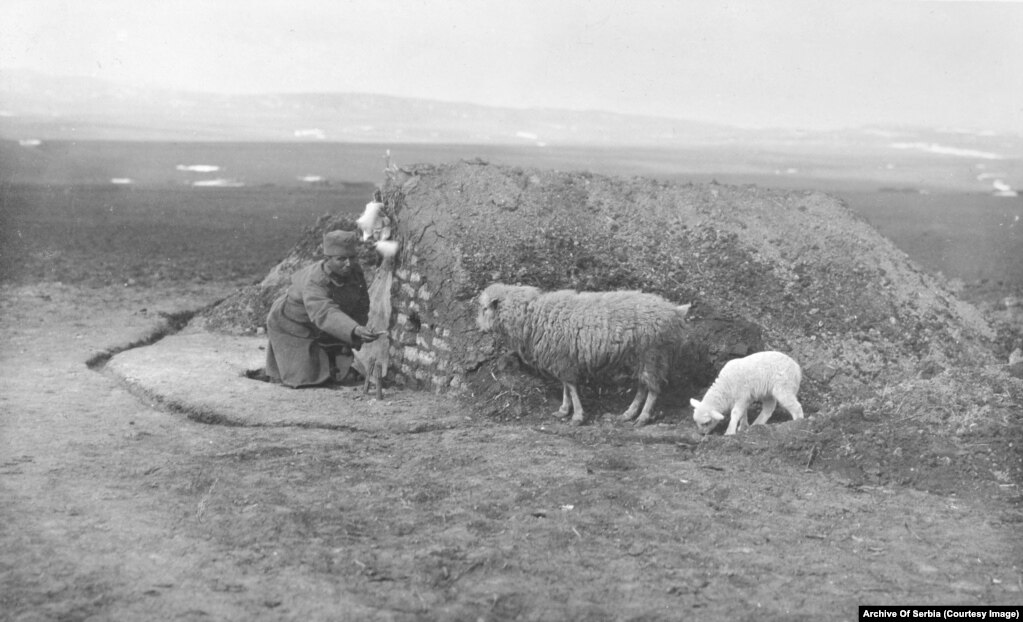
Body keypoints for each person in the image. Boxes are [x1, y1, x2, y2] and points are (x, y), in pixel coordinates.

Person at [265, 229, 382, 387]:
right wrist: (354, 329)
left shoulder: (354, 271)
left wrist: (357, 331)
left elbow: (361, 303)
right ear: (327, 259)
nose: (348, 264)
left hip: (319, 323)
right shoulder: (316, 280)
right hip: (291, 322)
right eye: (341, 259)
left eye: (352, 258)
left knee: (339, 367)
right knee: (305, 379)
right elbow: (325, 312)